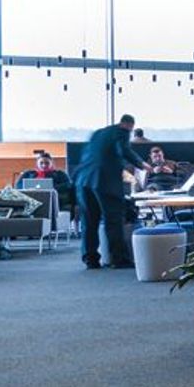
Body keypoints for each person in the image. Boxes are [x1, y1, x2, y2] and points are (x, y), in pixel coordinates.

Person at [73, 114, 145, 270]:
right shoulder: (122, 132)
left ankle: (90, 260)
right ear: (129, 126)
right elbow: (123, 149)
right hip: (105, 181)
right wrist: (141, 164)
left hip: (83, 181)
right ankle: (118, 259)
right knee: (113, 220)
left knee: (89, 222)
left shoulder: (98, 133)